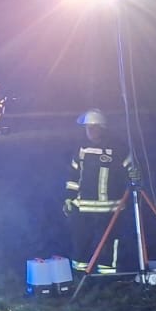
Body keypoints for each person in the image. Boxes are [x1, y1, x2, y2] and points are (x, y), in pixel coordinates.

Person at [64, 109, 139, 275]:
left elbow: (131, 170)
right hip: (83, 206)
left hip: (110, 207)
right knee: (81, 240)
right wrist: (69, 199)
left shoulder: (118, 149)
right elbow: (73, 176)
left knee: (109, 241)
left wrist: (135, 174)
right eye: (87, 128)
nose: (90, 131)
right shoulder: (81, 150)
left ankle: (108, 275)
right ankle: (80, 274)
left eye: (94, 127)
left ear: (102, 127)